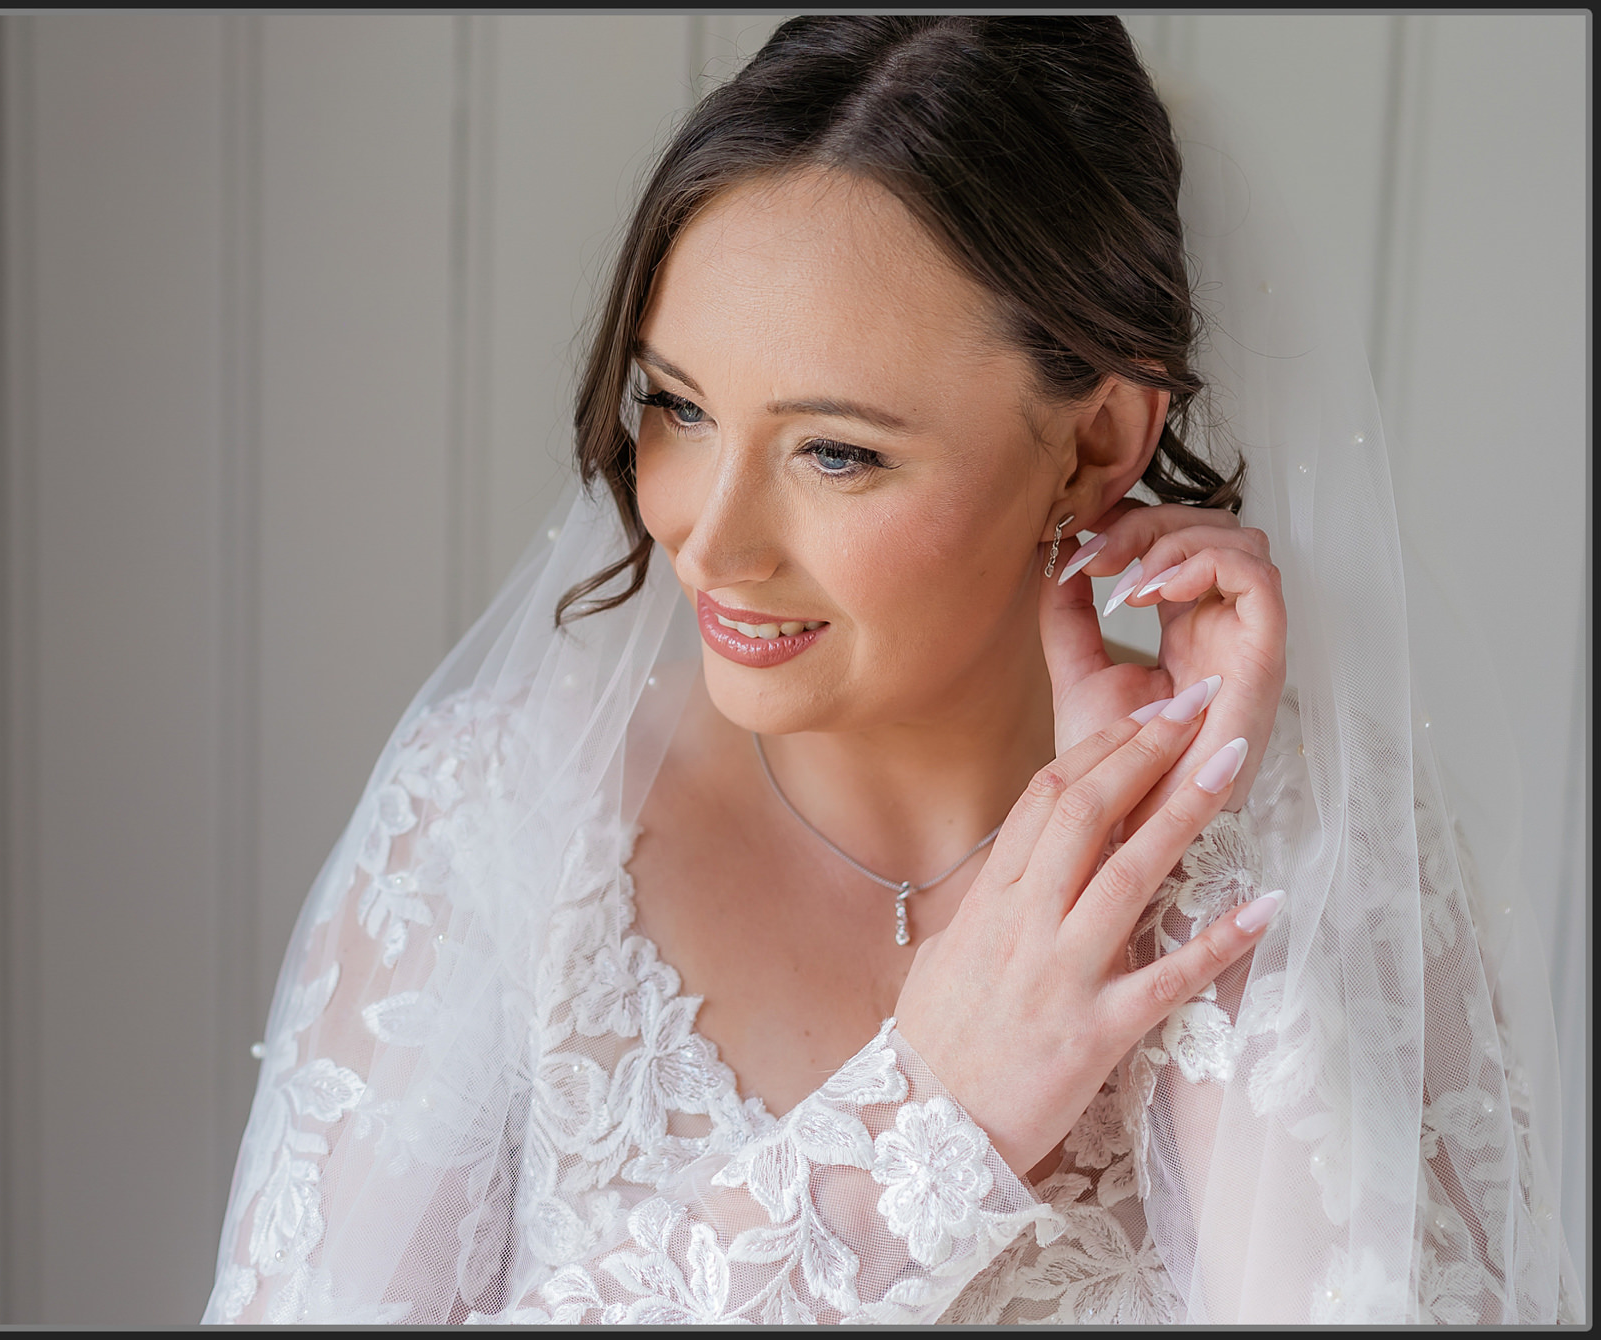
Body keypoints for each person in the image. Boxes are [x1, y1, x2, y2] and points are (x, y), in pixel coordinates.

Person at [203, 16, 1579, 1324]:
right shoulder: (495, 828)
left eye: (836, 452)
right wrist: (934, 1120)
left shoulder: (1321, 840)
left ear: (1100, 440)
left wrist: (1180, 841)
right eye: (676, 407)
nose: (709, 541)